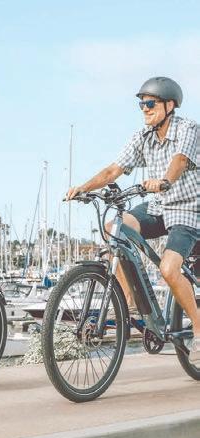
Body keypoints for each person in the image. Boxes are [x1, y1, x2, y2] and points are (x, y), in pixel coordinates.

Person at [66, 76, 199, 365]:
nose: (145, 109)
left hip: (188, 208)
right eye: (142, 105)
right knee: (115, 228)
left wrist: (165, 181)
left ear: (169, 105)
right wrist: (84, 188)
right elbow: (114, 169)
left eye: (151, 104)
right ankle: (128, 304)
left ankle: (199, 331)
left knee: (168, 269)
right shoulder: (143, 136)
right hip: (157, 206)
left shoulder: (188, 128)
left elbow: (179, 161)